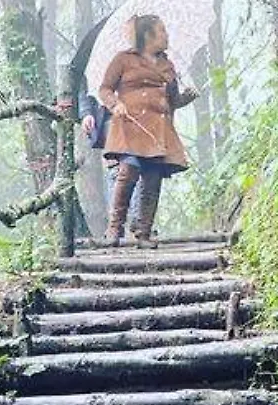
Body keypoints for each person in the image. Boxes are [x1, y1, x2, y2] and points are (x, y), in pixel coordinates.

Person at [96, 14, 198, 247]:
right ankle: (114, 228)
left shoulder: (167, 65)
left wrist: (186, 98)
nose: (166, 36)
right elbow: (105, 89)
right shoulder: (123, 59)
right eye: (162, 31)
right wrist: (116, 104)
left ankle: (144, 233)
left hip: (157, 130)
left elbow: (172, 101)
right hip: (130, 125)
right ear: (148, 36)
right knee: (128, 170)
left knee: (153, 178)